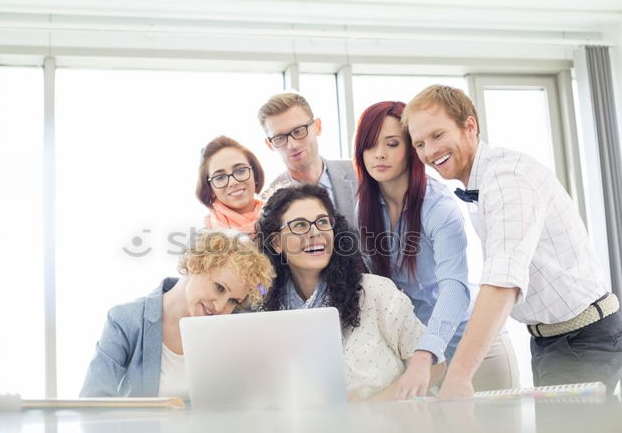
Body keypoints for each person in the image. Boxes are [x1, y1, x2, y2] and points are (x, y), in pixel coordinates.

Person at [403, 84, 622, 398]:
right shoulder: (484, 184)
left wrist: (460, 375)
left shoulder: (508, 178)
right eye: (420, 143)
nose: (429, 152)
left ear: (470, 126)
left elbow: (504, 280)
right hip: (551, 340)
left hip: (584, 339)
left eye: (437, 135)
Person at [354, 100, 518, 397]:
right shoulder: (364, 209)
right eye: (369, 145)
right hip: (418, 355)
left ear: (412, 149)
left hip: (471, 349)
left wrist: (424, 354)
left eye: (392, 144)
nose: (379, 154)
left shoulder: (437, 206)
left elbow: (454, 288)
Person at [255, 183, 443, 400]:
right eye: (299, 225)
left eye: (323, 222)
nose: (315, 232)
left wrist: (371, 409)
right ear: (277, 242)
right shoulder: (269, 313)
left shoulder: (375, 293)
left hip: (389, 428)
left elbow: (436, 366)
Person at [80, 231, 274, 398]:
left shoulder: (228, 331)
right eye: (219, 287)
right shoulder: (125, 320)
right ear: (193, 263)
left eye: (234, 301)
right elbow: (94, 400)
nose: (222, 307)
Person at [257, 91, 358, 228]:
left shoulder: (358, 173)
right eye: (280, 138)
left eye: (299, 131)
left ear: (317, 127)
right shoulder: (268, 201)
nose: (292, 145)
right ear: (270, 145)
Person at [196, 136, 265, 234]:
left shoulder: (283, 218)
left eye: (240, 171)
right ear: (210, 189)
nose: (233, 182)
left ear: (255, 175)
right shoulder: (201, 242)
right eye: (220, 177)